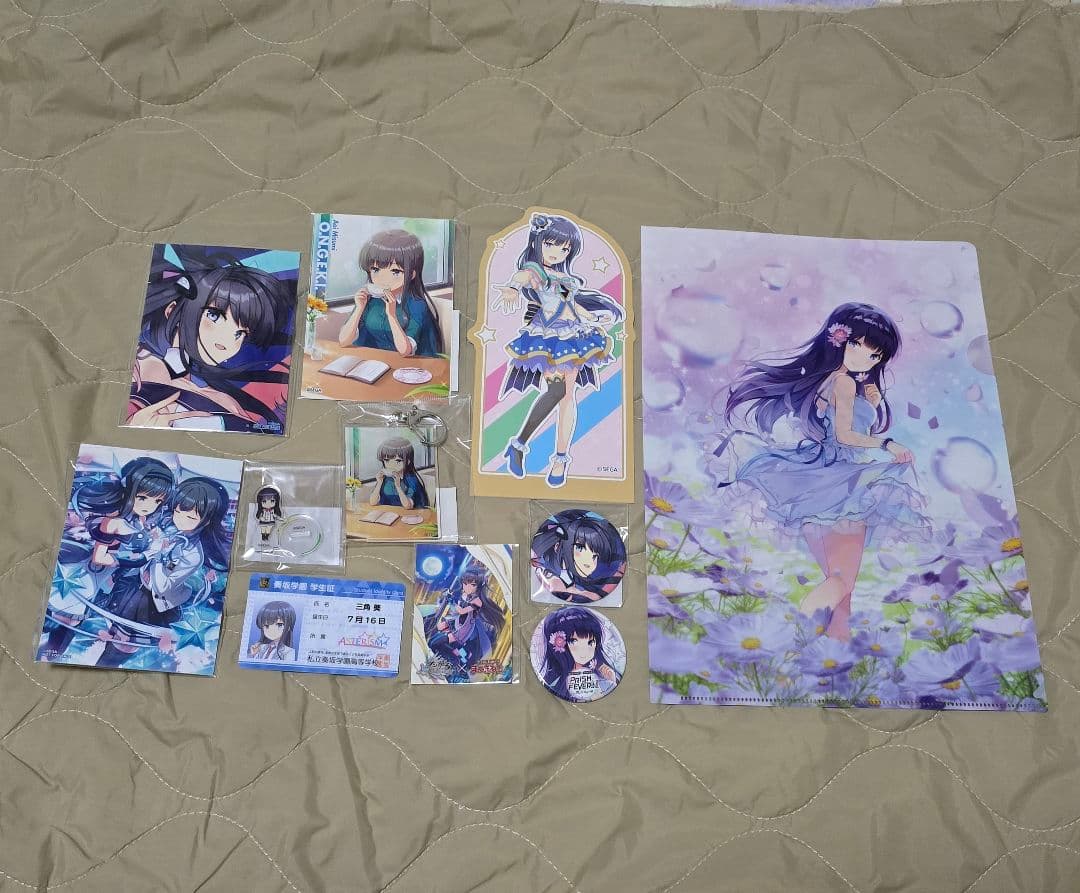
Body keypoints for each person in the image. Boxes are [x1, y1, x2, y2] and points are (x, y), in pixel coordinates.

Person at [716, 302, 932, 640]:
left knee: (842, 590)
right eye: (857, 345)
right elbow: (844, 436)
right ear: (837, 340)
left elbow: (840, 426)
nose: (865, 359)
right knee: (841, 582)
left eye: (875, 356)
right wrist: (887, 443)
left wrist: (871, 405)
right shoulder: (843, 383)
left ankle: (834, 654)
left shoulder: (835, 381)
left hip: (823, 482)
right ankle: (792, 638)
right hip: (841, 483)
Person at [493, 213, 624, 487]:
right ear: (538, 242)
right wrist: (513, 288)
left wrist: (592, 318)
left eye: (564, 248)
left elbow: (569, 304)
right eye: (550, 244)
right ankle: (518, 444)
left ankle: (560, 459)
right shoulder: (536, 271)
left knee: (567, 397)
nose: (557, 252)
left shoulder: (563, 278)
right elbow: (523, 275)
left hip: (573, 334)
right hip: (549, 337)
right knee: (557, 391)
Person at [128, 245, 295, 433]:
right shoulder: (137, 369)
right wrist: (135, 426)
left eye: (240, 333)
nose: (227, 342)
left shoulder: (222, 400)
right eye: (214, 316)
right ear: (173, 311)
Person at [337, 229, 443, 358]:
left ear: (411, 274)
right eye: (375, 269)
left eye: (395, 272)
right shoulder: (369, 298)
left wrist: (392, 315)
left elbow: (405, 351)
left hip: (413, 365)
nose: (382, 279)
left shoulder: (416, 304)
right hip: (375, 363)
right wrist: (359, 309)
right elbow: (343, 341)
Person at [367, 436, 430, 510]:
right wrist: (379, 483)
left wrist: (398, 486)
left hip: (411, 514)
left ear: (408, 461)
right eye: (387, 460)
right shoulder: (385, 478)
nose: (391, 465)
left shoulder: (411, 480)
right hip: (389, 514)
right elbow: (372, 502)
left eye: (398, 461)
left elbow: (408, 506)